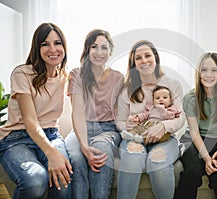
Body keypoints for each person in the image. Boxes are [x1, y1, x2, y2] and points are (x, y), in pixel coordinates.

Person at [0, 22, 72, 198]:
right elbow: (30, 120)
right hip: (17, 138)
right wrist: (51, 153)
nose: (52, 49)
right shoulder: (22, 74)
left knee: (63, 181)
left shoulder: (65, 76)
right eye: (45, 44)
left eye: (57, 43)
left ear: (64, 46)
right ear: (36, 48)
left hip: (52, 135)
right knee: (35, 179)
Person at [116, 40, 185, 199]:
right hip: (136, 137)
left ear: (156, 57)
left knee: (157, 162)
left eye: (148, 55)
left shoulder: (172, 84)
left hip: (165, 139)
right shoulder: (128, 89)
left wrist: (163, 126)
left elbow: (181, 118)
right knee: (133, 158)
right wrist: (126, 124)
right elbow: (119, 121)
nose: (144, 60)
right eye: (138, 58)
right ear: (134, 63)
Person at [64, 29, 124, 199]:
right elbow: (77, 113)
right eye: (94, 47)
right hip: (80, 128)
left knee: (101, 152)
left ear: (110, 51)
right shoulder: (77, 75)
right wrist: (83, 145)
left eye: (104, 48)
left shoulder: (118, 78)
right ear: (87, 50)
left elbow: (121, 112)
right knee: (76, 158)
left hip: (107, 129)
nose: (99, 52)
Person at [174, 52, 217, 199]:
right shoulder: (190, 98)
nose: (209, 75)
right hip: (192, 140)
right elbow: (194, 132)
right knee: (193, 173)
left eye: (214, 70)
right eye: (204, 70)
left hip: (216, 141)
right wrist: (207, 159)